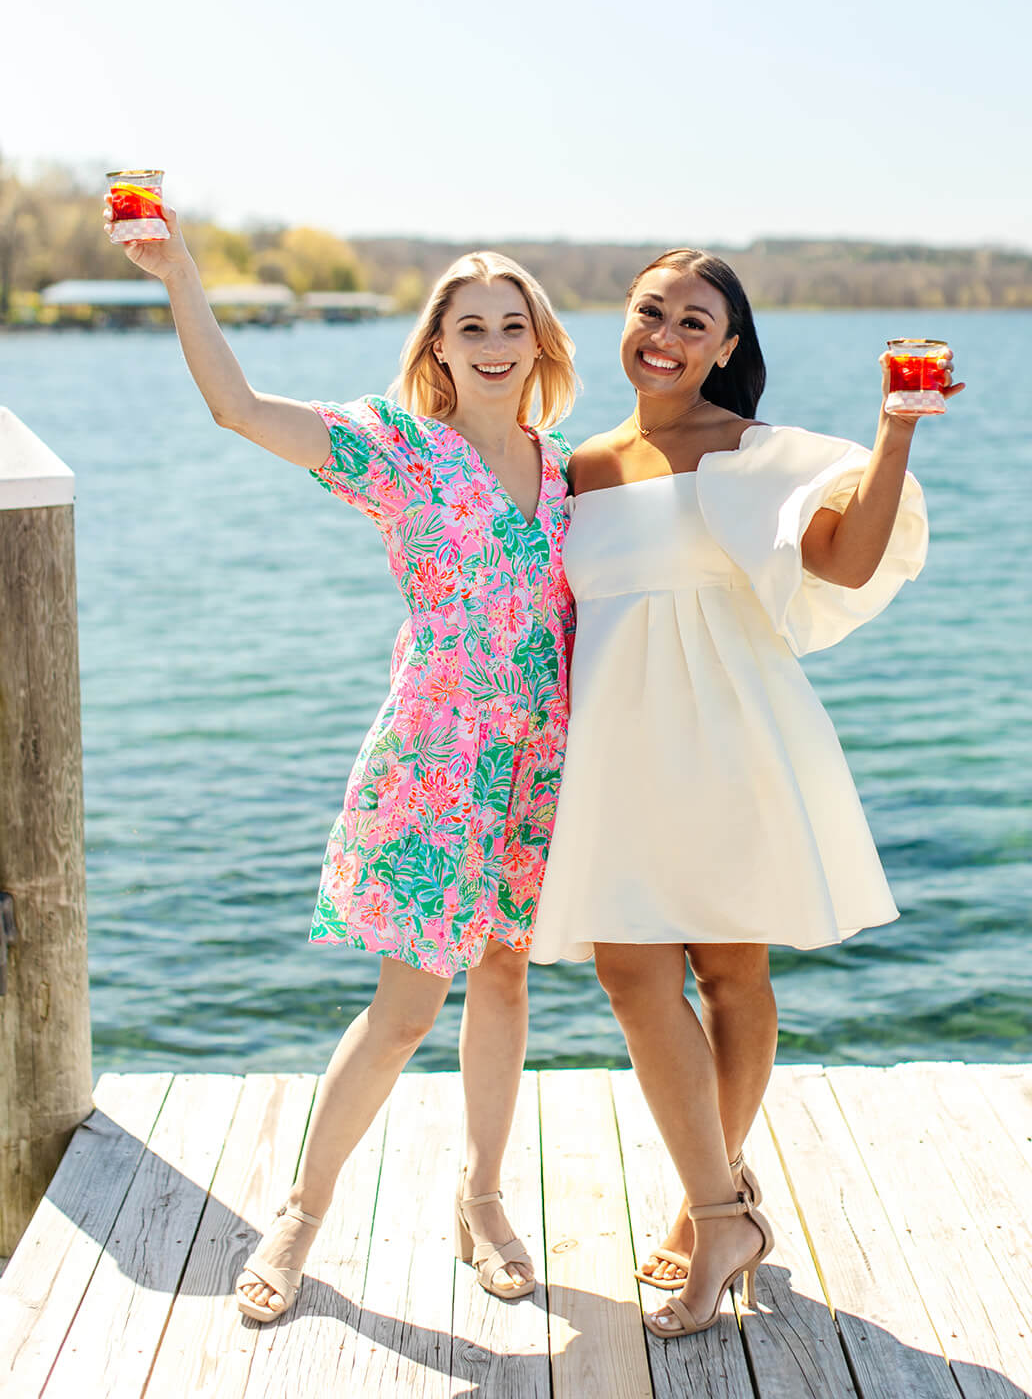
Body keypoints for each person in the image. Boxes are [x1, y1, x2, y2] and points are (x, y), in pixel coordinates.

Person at [106, 202, 578, 1320]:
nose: (496, 343)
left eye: (514, 323)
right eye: (473, 327)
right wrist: (179, 272)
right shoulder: (400, 449)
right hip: (436, 757)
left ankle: (485, 1195)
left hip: (537, 764)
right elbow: (236, 408)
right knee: (408, 1007)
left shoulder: (568, 470)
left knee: (505, 975)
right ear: (439, 348)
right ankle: (301, 1216)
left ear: (541, 343)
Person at [529, 248, 961, 1340]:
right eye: (650, 309)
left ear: (728, 345)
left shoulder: (753, 452)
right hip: (617, 750)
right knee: (631, 974)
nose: (665, 332)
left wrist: (895, 432)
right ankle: (727, 1206)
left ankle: (704, 1208)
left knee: (728, 973)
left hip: (728, 739)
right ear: (625, 322)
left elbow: (851, 563)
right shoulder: (576, 465)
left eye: (695, 319)